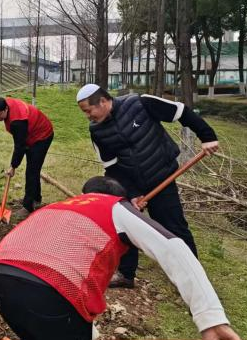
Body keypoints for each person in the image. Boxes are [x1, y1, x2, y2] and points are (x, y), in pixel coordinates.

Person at [0, 176, 245, 340]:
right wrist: (211, 319)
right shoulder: (116, 207)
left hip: (1, 280)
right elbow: (173, 247)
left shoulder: (56, 208)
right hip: (49, 291)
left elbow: (69, 269)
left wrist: (86, 335)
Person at [76, 84, 220, 288]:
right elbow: (112, 167)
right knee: (124, 225)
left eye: (88, 110)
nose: (87, 116)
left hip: (162, 177)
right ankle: (126, 274)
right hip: (131, 181)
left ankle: (195, 280)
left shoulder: (140, 103)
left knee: (174, 227)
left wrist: (208, 136)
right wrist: (132, 194)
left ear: (102, 101)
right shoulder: (97, 131)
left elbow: (181, 112)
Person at [0, 97, 54, 218]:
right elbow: (21, 143)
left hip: (42, 135)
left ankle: (28, 207)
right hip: (31, 133)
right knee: (33, 169)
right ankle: (35, 199)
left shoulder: (17, 121)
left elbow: (20, 146)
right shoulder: (4, 104)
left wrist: (13, 166)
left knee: (32, 171)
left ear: (6, 108)